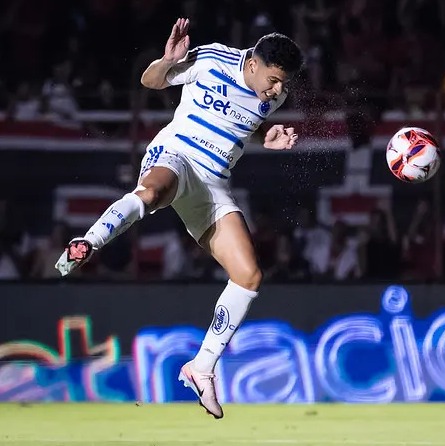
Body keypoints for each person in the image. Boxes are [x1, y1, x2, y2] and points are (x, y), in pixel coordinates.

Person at [54, 18, 304, 419]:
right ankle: (87, 243)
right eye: (274, 79)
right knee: (152, 192)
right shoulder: (211, 59)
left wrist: (266, 136)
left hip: (213, 184)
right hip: (177, 156)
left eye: (283, 83)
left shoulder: (272, 98)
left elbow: (245, 123)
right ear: (253, 63)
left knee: (249, 276)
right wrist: (166, 62)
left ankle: (202, 368)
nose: (278, 89)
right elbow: (151, 82)